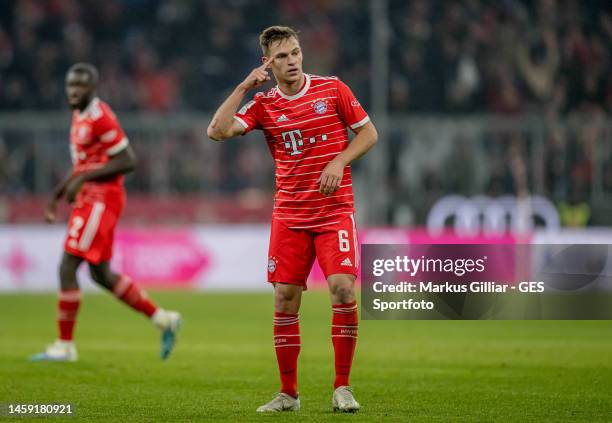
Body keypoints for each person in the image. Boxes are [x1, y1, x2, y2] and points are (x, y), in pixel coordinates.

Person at [207, 26, 378, 413]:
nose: (293, 61)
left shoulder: (332, 89)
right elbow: (216, 131)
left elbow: (369, 133)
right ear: (268, 62)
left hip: (335, 212)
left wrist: (339, 160)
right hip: (290, 215)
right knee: (285, 300)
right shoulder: (264, 105)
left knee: (342, 290)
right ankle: (288, 394)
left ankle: (342, 387)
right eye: (282, 56)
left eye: (296, 52)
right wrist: (243, 88)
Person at [31, 63, 181, 362]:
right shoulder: (78, 115)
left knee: (67, 266)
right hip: (90, 197)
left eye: (81, 86)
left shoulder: (101, 117)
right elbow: (83, 165)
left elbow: (128, 160)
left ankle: (65, 346)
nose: (74, 91)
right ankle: (163, 319)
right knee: (100, 274)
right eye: (71, 85)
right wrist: (57, 195)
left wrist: (84, 180)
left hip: (101, 199)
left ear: (93, 88)